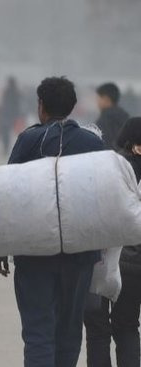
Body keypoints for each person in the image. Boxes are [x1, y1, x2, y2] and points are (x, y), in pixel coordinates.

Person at [0, 77, 104, 367]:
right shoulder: (92, 142)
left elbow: (9, 192)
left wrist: (0, 246)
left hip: (35, 253)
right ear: (73, 107)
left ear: (40, 106)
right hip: (79, 255)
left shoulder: (30, 140)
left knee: (38, 332)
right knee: (69, 332)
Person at [84, 117, 141, 367]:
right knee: (127, 327)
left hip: (101, 262)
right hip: (134, 268)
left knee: (97, 331)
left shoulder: (108, 170)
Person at [94, 83, 130, 150]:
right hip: (125, 158)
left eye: (99, 98)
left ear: (106, 99)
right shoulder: (126, 116)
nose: (97, 102)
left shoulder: (104, 119)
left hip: (109, 157)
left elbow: (104, 143)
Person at [0, 76, 21, 155]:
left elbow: (4, 103)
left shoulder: (6, 92)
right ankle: (12, 148)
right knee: (14, 133)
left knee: (5, 132)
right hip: (14, 115)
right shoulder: (17, 92)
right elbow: (18, 104)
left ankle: (5, 147)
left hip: (6, 114)